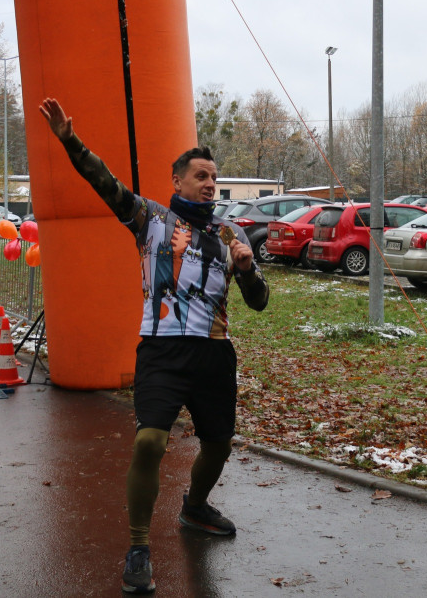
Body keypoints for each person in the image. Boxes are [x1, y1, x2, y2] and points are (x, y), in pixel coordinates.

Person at [39, 98, 269, 594]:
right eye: (200, 176)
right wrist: (70, 142)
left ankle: (195, 507)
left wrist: (248, 270)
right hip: (163, 349)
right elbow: (105, 183)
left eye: (214, 177)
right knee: (149, 441)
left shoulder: (229, 233)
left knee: (218, 444)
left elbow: (259, 302)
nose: (210, 184)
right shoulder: (151, 219)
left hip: (214, 353)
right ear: (177, 182)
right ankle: (139, 547)